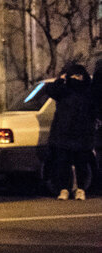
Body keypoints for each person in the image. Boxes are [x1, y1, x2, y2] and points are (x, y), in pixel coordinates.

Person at [44, 63, 96, 201]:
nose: (78, 78)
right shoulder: (63, 90)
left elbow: (94, 109)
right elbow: (50, 90)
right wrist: (61, 78)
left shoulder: (88, 91)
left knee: (81, 163)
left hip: (83, 134)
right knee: (62, 163)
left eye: (80, 75)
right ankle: (64, 189)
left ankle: (80, 189)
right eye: (75, 75)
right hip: (63, 134)